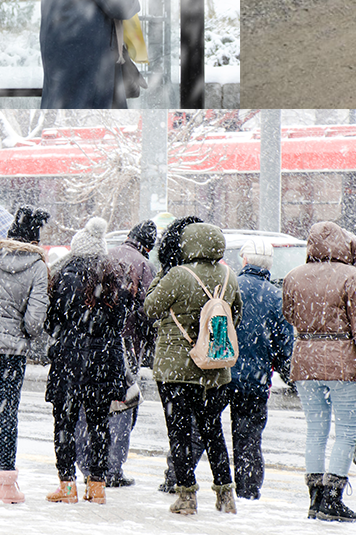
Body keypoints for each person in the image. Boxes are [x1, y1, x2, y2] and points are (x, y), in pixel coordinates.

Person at [282, 221, 356, 523]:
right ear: (342, 244)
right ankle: (332, 498)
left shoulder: (294, 276)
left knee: (316, 430)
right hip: (342, 360)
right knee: (347, 431)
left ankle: (314, 499)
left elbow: (289, 314)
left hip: (305, 359)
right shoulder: (350, 276)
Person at [144, 222, 242, 516]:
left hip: (177, 369)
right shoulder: (229, 276)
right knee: (213, 432)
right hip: (214, 368)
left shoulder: (177, 275)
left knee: (180, 433)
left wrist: (161, 275)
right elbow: (235, 316)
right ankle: (226, 494)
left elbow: (150, 307)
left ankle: (186, 496)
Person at [45, 217, 130, 505]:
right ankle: (97, 486)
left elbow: (51, 321)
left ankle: (67, 485)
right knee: (99, 423)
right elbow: (120, 322)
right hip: (104, 359)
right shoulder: (113, 275)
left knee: (65, 423)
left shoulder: (63, 275)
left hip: (70, 358)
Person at [75, 219, 157, 487]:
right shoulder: (145, 266)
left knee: (92, 406)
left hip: (95, 344)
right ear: (148, 244)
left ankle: (88, 464)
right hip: (126, 347)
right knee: (123, 406)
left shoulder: (108, 255)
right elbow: (149, 309)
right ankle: (112, 468)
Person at [228, 239, 294, 500]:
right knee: (248, 439)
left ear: (244, 260)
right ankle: (247, 489)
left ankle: (180, 477)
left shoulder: (230, 288)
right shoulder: (276, 296)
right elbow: (284, 345)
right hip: (254, 381)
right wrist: (288, 374)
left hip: (222, 372)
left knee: (202, 429)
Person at [0, 206, 49, 504]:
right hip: (12, 353)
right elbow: (34, 322)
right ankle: (6, 484)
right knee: (6, 414)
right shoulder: (37, 267)